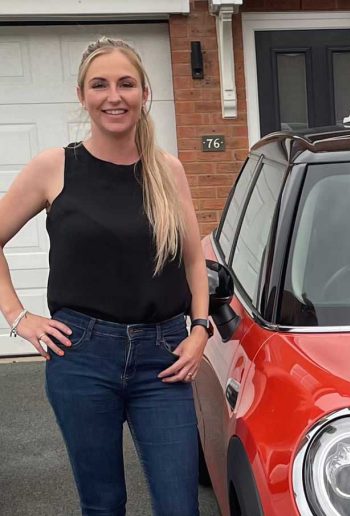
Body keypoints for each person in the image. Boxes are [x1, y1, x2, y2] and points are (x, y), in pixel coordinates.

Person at [0, 37, 210, 516]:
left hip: (164, 356)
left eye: (126, 84)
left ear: (144, 93)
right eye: (100, 85)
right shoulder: (55, 167)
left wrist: (199, 329)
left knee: (180, 505)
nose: (114, 96)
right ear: (81, 95)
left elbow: (194, 261)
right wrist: (18, 317)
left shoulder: (167, 170)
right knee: (102, 503)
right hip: (82, 356)